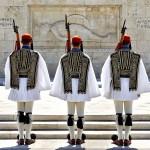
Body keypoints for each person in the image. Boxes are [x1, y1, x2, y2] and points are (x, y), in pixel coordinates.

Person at [101, 34, 150, 146]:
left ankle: (120, 138)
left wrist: (107, 88)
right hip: (130, 88)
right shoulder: (136, 57)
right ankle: (127, 138)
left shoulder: (113, 56)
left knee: (118, 114)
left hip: (117, 88)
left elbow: (105, 73)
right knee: (128, 114)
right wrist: (139, 89)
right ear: (129, 43)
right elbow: (141, 74)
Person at [50, 35, 100, 145]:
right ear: (80, 44)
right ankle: (79, 137)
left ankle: (72, 138)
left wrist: (59, 89)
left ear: (72, 44)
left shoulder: (64, 58)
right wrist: (91, 90)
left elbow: (59, 76)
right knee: (81, 115)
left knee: (70, 115)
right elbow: (90, 76)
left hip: (69, 89)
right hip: (82, 89)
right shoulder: (86, 58)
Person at [5, 33, 51, 145]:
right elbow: (42, 71)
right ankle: (28, 137)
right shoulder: (36, 55)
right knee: (29, 113)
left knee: (20, 112)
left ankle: (21, 138)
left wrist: (8, 85)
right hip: (31, 86)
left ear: (21, 42)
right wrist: (42, 85)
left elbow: (8, 70)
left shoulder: (13, 54)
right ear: (30, 42)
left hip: (17, 85)